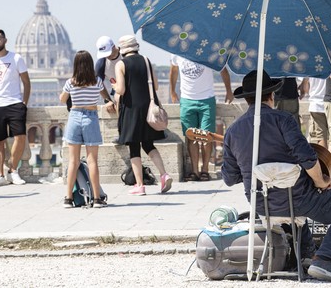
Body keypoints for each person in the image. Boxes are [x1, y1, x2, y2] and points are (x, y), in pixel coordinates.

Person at [222, 70, 331, 283]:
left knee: (293, 207)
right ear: (271, 96)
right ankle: (323, 259)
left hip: (261, 204)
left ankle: (306, 256)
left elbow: (230, 178)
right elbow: (307, 158)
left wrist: (258, 172)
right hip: (298, 199)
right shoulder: (284, 120)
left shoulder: (232, 131)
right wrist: (321, 181)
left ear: (247, 99)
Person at [113, 35, 172, 195]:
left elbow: (121, 90)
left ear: (122, 49)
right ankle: (164, 174)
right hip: (148, 108)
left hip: (131, 109)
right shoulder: (146, 60)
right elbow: (156, 85)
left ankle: (139, 185)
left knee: (134, 146)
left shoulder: (121, 64)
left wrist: (114, 86)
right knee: (148, 144)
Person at [0, 29, 31, 187]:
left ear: (5, 40)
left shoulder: (16, 58)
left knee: (20, 137)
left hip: (15, 103)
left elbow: (26, 82)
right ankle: (0, 174)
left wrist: (24, 103)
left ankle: (13, 170)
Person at [169, 55, 233, 181]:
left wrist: (229, 91)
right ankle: (195, 171)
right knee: (191, 136)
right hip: (187, 99)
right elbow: (174, 71)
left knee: (206, 137)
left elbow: (223, 70)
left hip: (207, 99)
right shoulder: (176, 53)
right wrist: (172, 91)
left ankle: (205, 169)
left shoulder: (208, 49)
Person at [60, 50, 106, 208]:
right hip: (91, 117)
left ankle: (68, 198)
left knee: (73, 161)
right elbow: (103, 94)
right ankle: (97, 199)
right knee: (92, 161)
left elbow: (62, 99)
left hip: (74, 117)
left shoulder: (71, 82)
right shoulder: (97, 82)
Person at [95, 36, 122, 114]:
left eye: (108, 53)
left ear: (113, 46)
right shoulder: (102, 62)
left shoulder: (125, 54)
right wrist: (107, 100)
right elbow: (97, 82)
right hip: (118, 95)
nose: (107, 56)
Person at [306, 77, 328, 148]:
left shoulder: (311, 66)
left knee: (320, 137)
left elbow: (305, 87)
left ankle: (324, 159)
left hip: (316, 104)